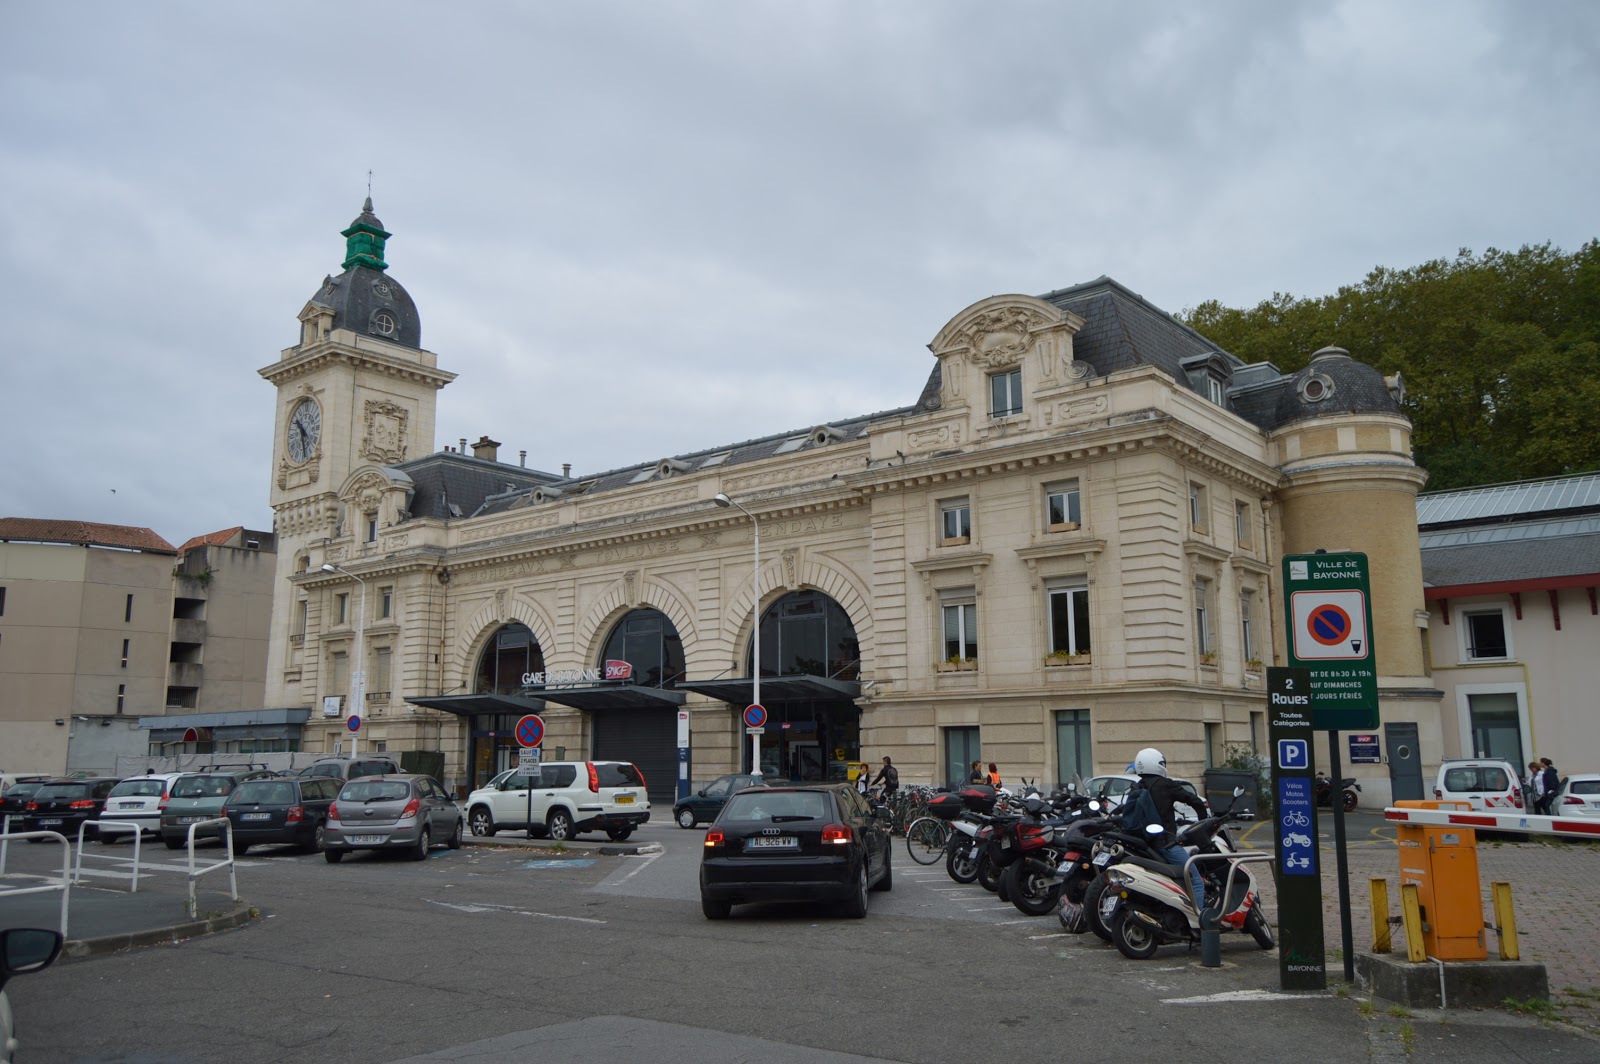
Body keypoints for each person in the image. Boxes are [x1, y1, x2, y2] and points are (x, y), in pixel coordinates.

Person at [1131, 746, 1210, 914]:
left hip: (1144, 844)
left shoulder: (1137, 786)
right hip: (1164, 843)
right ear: (1157, 764)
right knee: (1195, 879)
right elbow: (1193, 800)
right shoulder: (1165, 785)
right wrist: (1204, 819)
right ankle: (1199, 922)